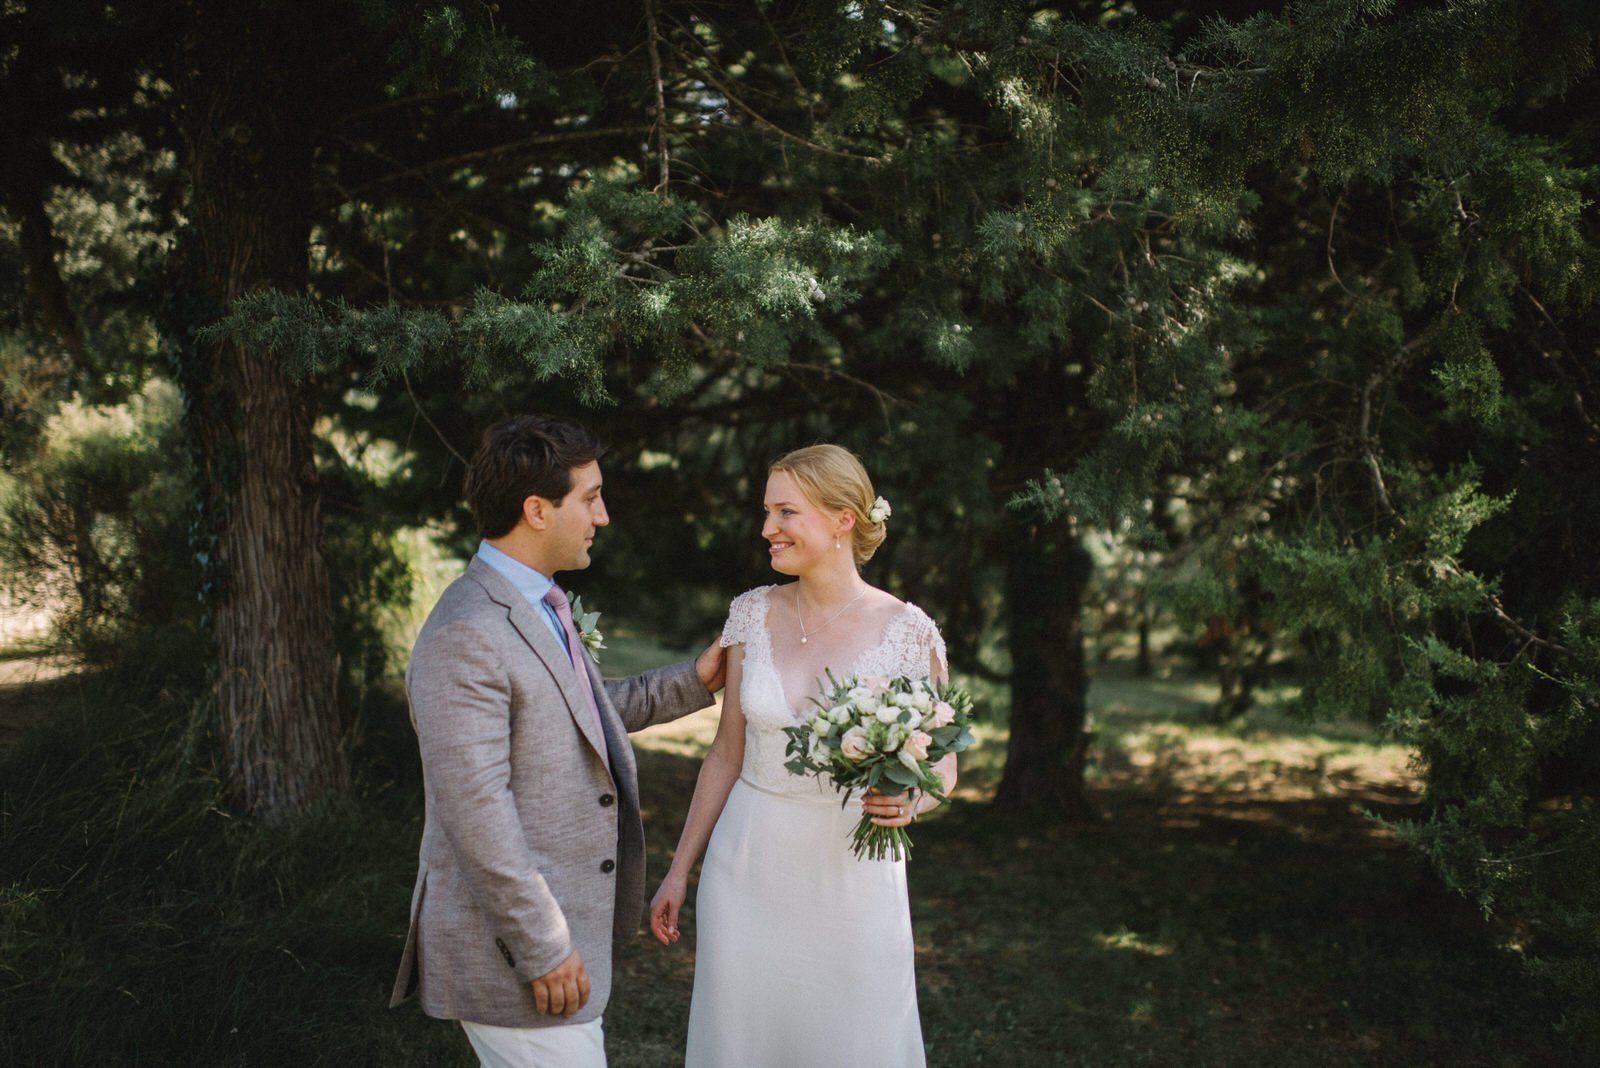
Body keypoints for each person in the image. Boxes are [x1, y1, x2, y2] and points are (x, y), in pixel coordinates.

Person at [390, 414, 727, 1068]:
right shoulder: (468, 632)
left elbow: (580, 714)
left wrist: (696, 679)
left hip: (551, 937)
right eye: (591, 498)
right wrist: (541, 947)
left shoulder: (537, 603)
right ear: (537, 510)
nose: (603, 516)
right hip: (511, 952)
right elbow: (475, 811)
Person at [648, 443, 954, 1067]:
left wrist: (913, 799)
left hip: (853, 878)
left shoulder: (907, 632)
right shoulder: (749, 614)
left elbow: (943, 760)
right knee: (743, 1039)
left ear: (843, 518)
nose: (767, 529)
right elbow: (724, 756)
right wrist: (680, 870)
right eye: (767, 511)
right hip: (748, 866)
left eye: (785, 512)